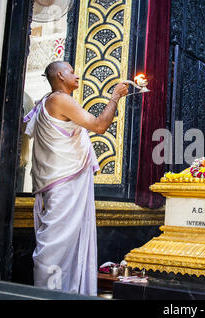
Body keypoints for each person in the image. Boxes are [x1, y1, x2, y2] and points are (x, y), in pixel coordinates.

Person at [24, 61, 129, 296]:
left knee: (62, 246)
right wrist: (115, 96)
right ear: (60, 75)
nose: (77, 75)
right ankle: (48, 294)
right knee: (55, 247)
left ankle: (64, 292)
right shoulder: (59, 99)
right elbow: (99, 126)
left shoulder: (47, 101)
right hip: (63, 185)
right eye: (71, 71)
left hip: (61, 184)